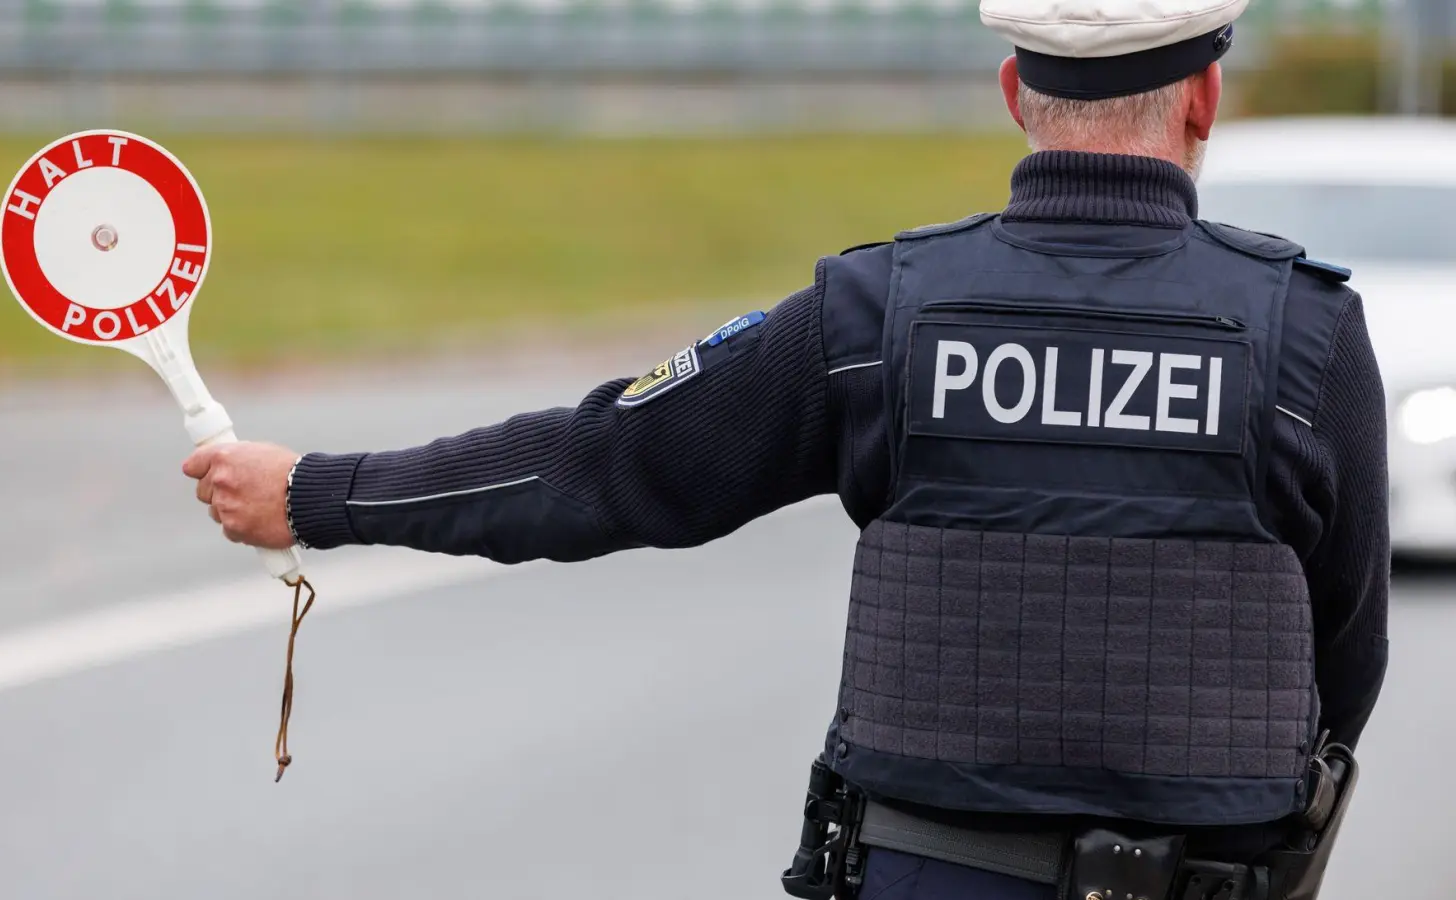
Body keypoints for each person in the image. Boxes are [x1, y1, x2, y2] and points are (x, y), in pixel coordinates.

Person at [183, 1, 1390, 896]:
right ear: (1203, 99)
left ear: (1014, 92)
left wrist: (321, 493)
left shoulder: (876, 316)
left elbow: (601, 469)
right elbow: (1347, 655)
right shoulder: (1308, 338)